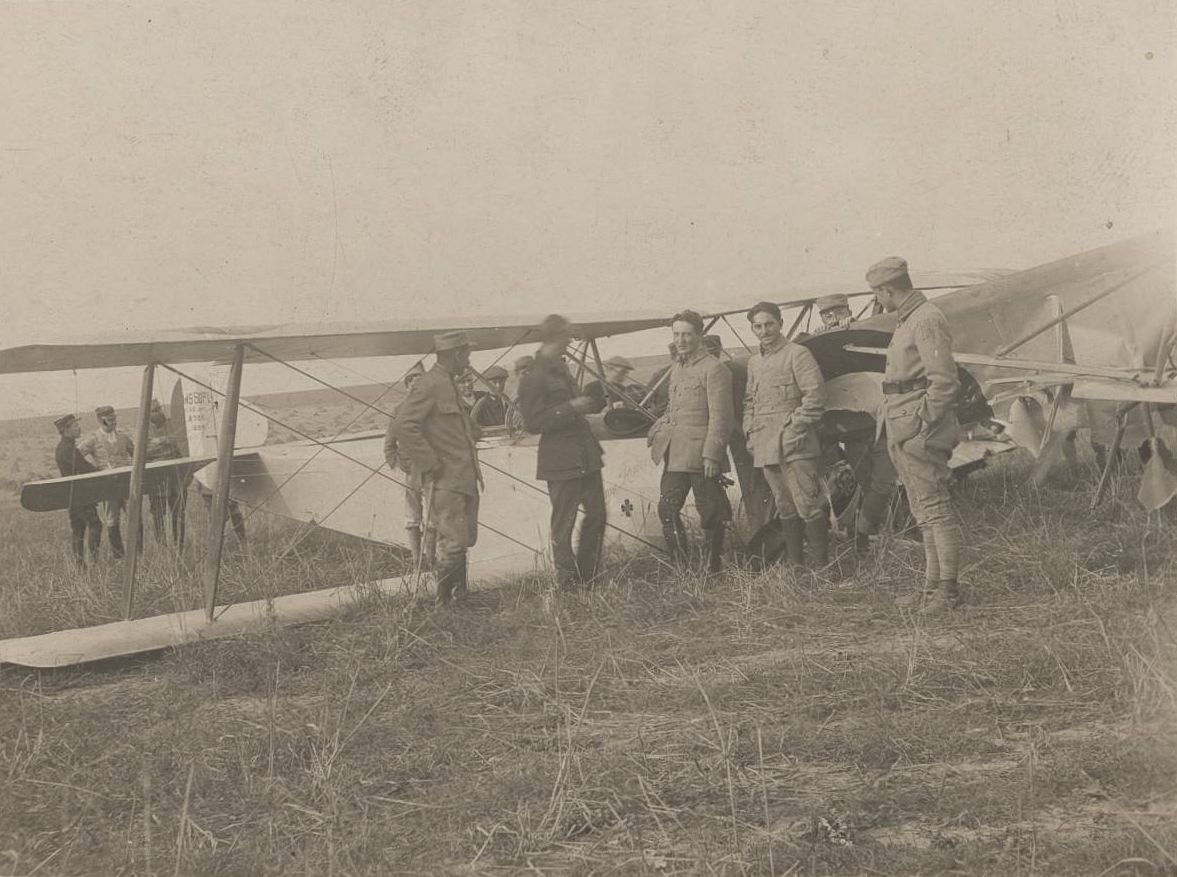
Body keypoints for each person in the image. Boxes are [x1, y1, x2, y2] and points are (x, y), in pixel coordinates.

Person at [868, 256, 964, 611]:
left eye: (877, 293)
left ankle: (948, 592)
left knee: (935, 509)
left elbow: (945, 381)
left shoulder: (925, 320)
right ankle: (931, 589)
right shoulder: (910, 319)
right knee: (923, 511)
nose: (878, 300)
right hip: (903, 423)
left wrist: (921, 425)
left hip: (917, 427)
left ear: (886, 289)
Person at [517, 315, 607, 588]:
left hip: (585, 455)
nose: (570, 341)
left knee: (598, 514)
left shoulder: (560, 369)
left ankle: (588, 575)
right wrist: (572, 408)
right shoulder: (534, 377)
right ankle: (567, 582)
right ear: (554, 338)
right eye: (567, 337)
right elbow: (533, 423)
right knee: (564, 523)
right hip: (560, 460)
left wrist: (586, 405)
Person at [393, 332, 483, 605]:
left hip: (464, 476)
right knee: (453, 540)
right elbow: (404, 426)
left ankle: (459, 595)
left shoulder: (448, 384)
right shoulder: (430, 384)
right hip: (446, 479)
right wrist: (430, 462)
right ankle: (445, 601)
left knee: (462, 537)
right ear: (456, 354)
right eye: (466, 355)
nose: (468, 361)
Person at [811, 294, 900, 553]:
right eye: (827, 316)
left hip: (882, 422)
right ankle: (875, 533)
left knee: (885, 480)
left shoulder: (869, 330)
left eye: (838, 312)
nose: (833, 319)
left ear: (848, 310)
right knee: (866, 480)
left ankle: (868, 532)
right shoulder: (822, 342)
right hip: (852, 430)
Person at [744, 301, 829, 568]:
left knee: (808, 506)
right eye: (757, 326)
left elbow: (815, 398)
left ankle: (822, 569)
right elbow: (749, 401)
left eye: (769, 324)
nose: (764, 331)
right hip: (765, 445)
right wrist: (749, 431)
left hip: (796, 444)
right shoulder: (754, 363)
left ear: (780, 323)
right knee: (785, 507)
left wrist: (794, 431)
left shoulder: (797, 354)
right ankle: (798, 568)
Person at [648, 312, 734, 572]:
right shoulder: (678, 367)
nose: (681, 340)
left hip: (700, 454)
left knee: (711, 512)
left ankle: (712, 567)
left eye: (686, 334)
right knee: (667, 509)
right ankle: (681, 569)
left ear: (699, 335)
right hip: (675, 454)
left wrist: (712, 455)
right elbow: (673, 409)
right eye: (676, 334)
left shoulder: (714, 368)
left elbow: (722, 417)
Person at [384, 362, 434, 571]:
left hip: (431, 471)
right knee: (412, 518)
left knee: (433, 518)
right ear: (406, 386)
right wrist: (397, 464)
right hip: (409, 471)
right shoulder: (398, 410)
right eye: (411, 381)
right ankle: (416, 562)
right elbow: (389, 444)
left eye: (419, 381)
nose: (415, 385)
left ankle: (431, 561)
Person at [77, 405, 134, 559]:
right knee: (112, 519)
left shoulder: (123, 437)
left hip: (127, 483)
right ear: (100, 420)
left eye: (114, 419)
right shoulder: (93, 439)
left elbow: (136, 453)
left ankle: (138, 553)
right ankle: (119, 555)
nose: (113, 422)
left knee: (135, 516)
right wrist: (94, 471)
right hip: (108, 486)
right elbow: (76, 455)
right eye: (109, 420)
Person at [53, 413, 103, 567]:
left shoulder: (64, 447)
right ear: (66, 429)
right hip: (80, 496)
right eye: (75, 426)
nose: (78, 428)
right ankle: (93, 562)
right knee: (95, 525)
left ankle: (80, 566)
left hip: (72, 496)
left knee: (78, 529)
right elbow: (83, 467)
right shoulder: (67, 449)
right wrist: (100, 472)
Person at [145, 399, 186, 546]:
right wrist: (168, 444)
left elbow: (181, 438)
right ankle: (162, 546)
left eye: (158, 409)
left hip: (176, 473)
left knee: (179, 511)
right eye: (153, 411)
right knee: (158, 514)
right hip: (157, 476)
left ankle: (179, 543)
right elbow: (146, 450)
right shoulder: (144, 428)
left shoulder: (171, 423)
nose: (157, 413)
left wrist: (161, 441)